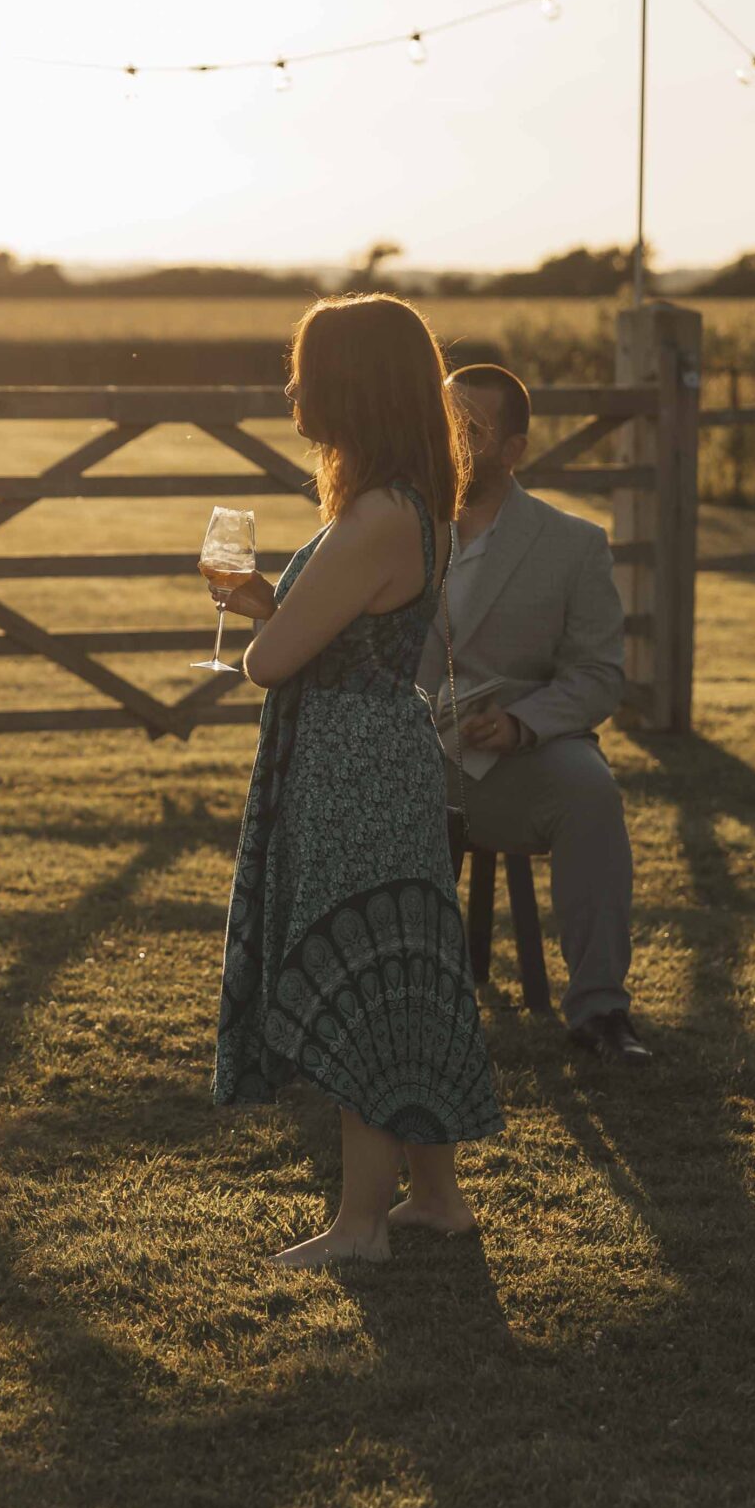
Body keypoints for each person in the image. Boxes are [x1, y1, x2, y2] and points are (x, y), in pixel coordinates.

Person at [212, 295, 501, 1267]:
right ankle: (437, 1199)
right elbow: (322, 620)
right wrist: (267, 600)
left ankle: (360, 1227)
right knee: (406, 968)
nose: (290, 386)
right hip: (381, 749)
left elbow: (270, 662)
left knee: (361, 972)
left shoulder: (377, 514)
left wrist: (263, 623)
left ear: (349, 384)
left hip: (352, 764)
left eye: (303, 370)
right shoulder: (406, 503)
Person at [428, 364, 651, 1065]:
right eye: (446, 425)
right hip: (412, 754)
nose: (453, 442)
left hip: (518, 760)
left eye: (471, 430)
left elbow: (598, 675)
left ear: (513, 449)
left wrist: (524, 721)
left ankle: (600, 1012)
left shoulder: (573, 544)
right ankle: (389, 1003)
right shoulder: (396, 525)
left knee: (590, 791)